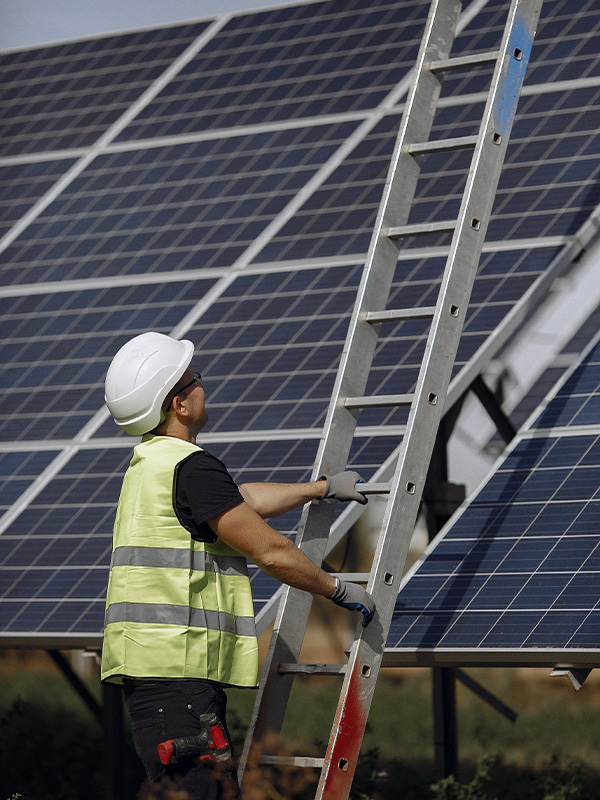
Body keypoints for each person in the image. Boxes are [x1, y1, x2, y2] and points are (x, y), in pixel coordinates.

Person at [101, 331, 375, 799]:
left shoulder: (151, 464)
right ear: (179, 405)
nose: (203, 385)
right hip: (180, 682)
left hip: (156, 679)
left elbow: (239, 500)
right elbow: (270, 551)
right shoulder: (191, 468)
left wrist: (319, 488)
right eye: (194, 379)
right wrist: (337, 589)